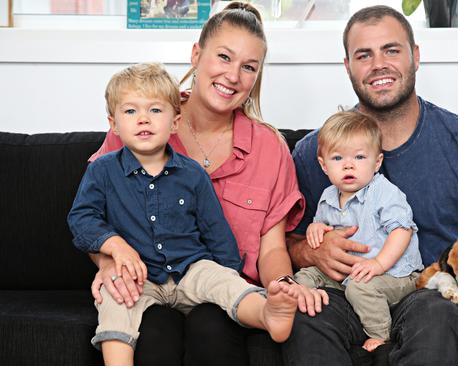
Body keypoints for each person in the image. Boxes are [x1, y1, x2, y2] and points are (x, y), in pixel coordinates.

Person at [284, 5, 458, 366]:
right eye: (364, 55)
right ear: (347, 67)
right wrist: (313, 253)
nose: (379, 65)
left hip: (433, 292)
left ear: (415, 57)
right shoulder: (316, 151)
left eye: (391, 50)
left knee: (437, 318)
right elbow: (284, 240)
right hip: (341, 291)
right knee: (303, 316)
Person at [88, 3, 328, 365]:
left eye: (248, 67)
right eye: (224, 57)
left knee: (212, 328)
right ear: (197, 54)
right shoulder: (140, 123)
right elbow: (91, 214)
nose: (233, 75)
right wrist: (108, 262)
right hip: (148, 283)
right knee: (153, 331)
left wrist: (282, 284)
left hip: (220, 287)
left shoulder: (269, 147)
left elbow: (271, 248)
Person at [68, 62, 300, 366]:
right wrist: (115, 246)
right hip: (140, 278)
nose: (143, 120)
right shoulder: (102, 170)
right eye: (130, 112)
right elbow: (81, 218)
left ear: (175, 122)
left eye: (155, 110)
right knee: (115, 298)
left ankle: (267, 313)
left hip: (191, 269)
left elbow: (216, 231)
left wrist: (227, 270)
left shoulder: (192, 174)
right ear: (113, 123)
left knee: (223, 282)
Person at [294, 111, 423, 352]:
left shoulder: (384, 192)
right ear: (323, 165)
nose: (348, 164)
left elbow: (402, 231)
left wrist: (378, 264)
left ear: (377, 162)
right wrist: (315, 228)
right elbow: (323, 227)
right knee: (306, 275)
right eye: (337, 158)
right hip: (349, 274)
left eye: (360, 157)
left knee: (360, 287)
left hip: (395, 275)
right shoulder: (327, 196)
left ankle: (381, 335)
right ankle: (293, 302)